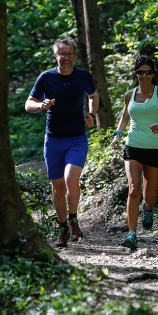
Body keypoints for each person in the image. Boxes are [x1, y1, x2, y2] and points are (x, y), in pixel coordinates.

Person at [26, 37, 99, 249]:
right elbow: (28, 104)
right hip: (54, 140)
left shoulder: (83, 75)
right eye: (62, 54)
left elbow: (93, 95)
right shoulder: (46, 77)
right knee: (57, 189)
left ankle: (74, 219)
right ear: (56, 55)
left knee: (71, 179)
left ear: (75, 56)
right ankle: (63, 227)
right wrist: (41, 105)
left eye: (70, 54)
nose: (66, 58)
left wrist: (91, 113)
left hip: (77, 138)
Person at [110, 56, 158, 249]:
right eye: (140, 72)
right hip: (132, 146)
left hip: (154, 149)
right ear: (136, 74)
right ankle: (132, 234)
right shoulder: (129, 95)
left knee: (149, 197)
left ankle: (148, 209)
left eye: (148, 72)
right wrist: (117, 134)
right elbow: (124, 117)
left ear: (153, 74)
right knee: (134, 190)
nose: (144, 75)